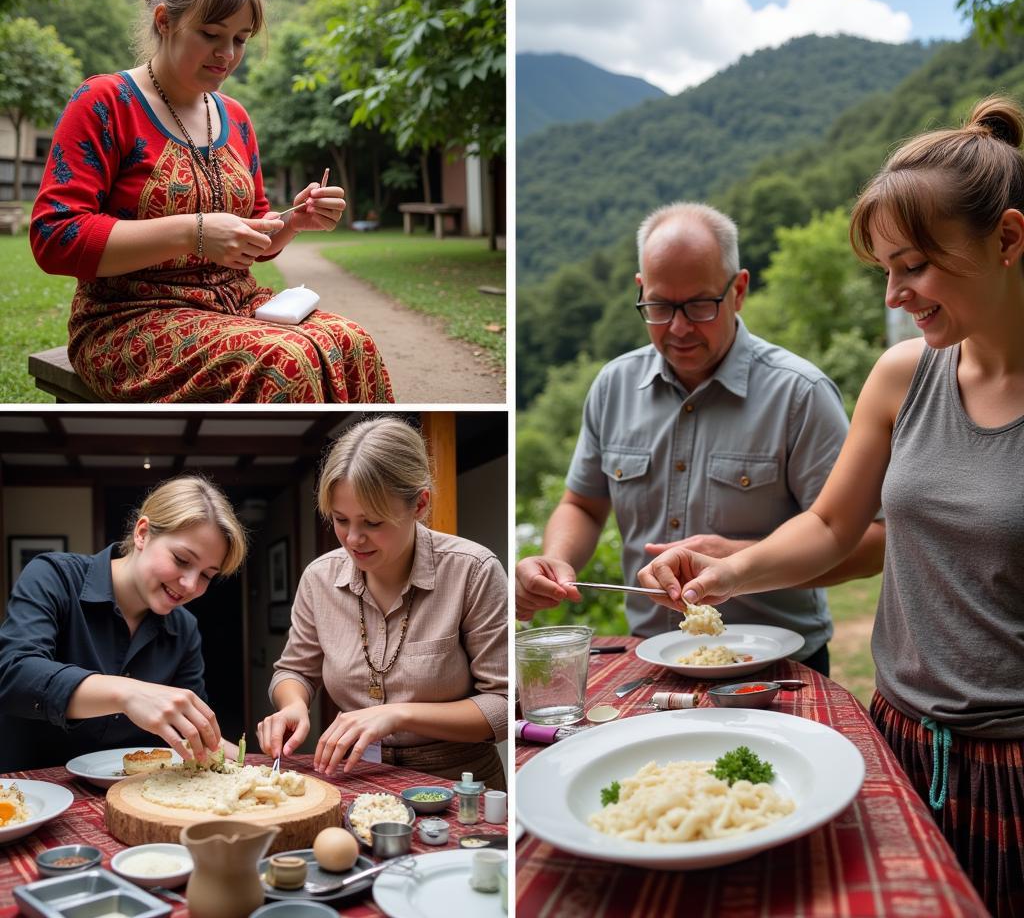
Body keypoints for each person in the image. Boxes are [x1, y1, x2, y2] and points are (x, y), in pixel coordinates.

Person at [638, 98, 1024, 916]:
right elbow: (827, 525)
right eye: (885, 267)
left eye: (914, 264)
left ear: (1010, 239)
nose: (896, 292)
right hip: (899, 740)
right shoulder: (902, 376)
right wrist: (726, 574)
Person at [515, 202, 885, 675]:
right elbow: (582, 505)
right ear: (640, 289)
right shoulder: (613, 386)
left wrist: (739, 561)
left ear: (739, 291)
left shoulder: (800, 394)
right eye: (661, 306)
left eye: (699, 305)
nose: (680, 327)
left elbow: (872, 542)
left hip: (779, 666)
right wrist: (554, 561)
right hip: (649, 658)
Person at [29, 0, 393, 404]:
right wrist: (192, 232)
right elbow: (55, 236)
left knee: (354, 342)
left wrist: (293, 221)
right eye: (211, 34)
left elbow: (256, 232)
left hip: (236, 304)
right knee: (287, 362)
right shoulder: (104, 102)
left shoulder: (235, 117)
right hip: (128, 318)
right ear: (164, 21)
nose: (227, 54)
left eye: (241, 39)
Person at [257, 418, 508, 788]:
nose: (353, 539)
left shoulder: (472, 570)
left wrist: (399, 715)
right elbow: (294, 671)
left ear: (419, 504)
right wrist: (293, 705)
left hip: (457, 777)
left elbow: (502, 706)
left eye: (373, 522)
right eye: (340, 520)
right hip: (352, 772)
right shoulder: (319, 578)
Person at [0, 476, 246, 772]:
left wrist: (263, 766)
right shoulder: (54, 576)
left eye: (207, 575)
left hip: (132, 794)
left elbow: (192, 729)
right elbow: (14, 675)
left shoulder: (184, 628)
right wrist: (128, 694)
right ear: (142, 533)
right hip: (30, 792)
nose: (190, 585)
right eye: (181, 559)